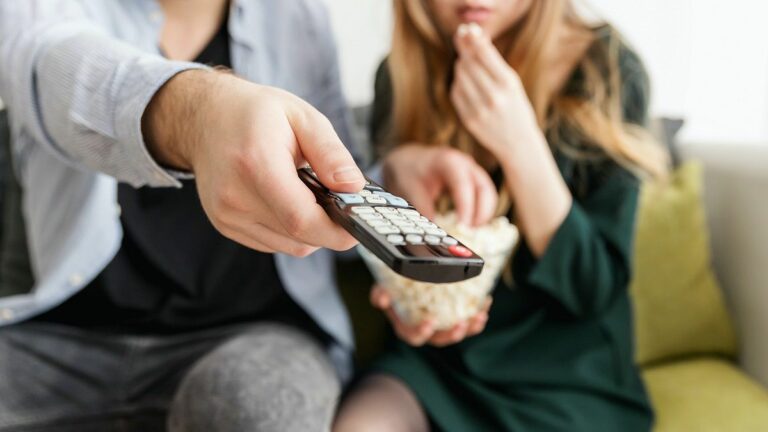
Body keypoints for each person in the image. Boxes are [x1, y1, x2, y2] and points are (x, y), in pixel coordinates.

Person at [0, 0, 373, 431]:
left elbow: (342, 172)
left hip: (255, 335)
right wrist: (199, 115)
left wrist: (398, 170)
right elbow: (53, 64)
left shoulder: (298, 15)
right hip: (64, 339)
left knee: (254, 407)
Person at [334, 0, 668, 431]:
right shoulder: (400, 76)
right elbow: (403, 261)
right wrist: (410, 303)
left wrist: (521, 144)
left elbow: (593, 288)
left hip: (567, 376)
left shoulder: (607, 68)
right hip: (438, 367)